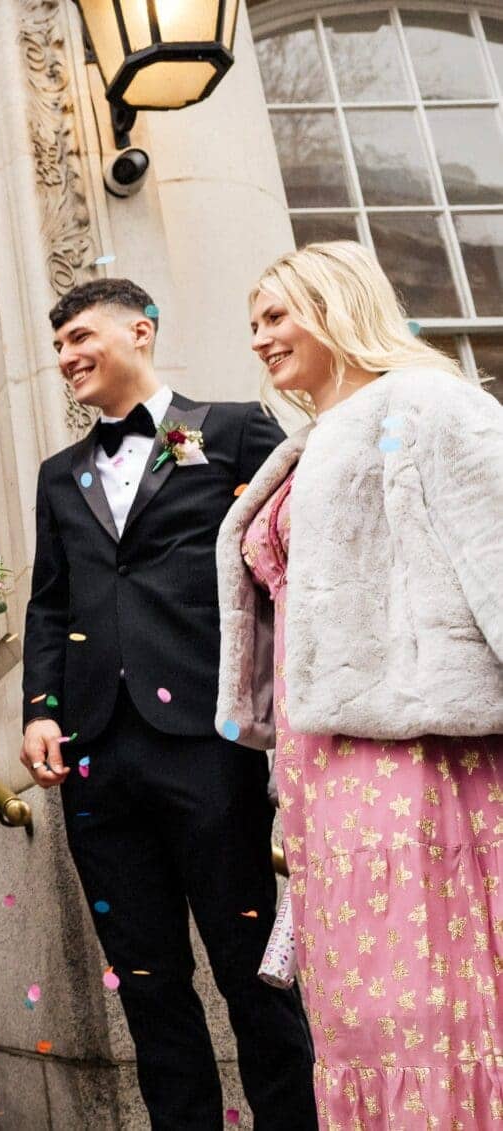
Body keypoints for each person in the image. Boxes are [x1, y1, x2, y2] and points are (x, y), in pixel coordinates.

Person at [18, 279, 318, 1128]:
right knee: (147, 982)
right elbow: (52, 601)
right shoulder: (58, 474)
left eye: (81, 337)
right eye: (59, 348)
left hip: (208, 738)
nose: (68, 357)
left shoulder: (231, 430)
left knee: (248, 965)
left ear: (139, 331)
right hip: (97, 753)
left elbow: (287, 562)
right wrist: (40, 707)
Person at [217, 241, 503, 1125]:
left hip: (415, 748)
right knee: (357, 1010)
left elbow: (496, 552)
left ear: (339, 304)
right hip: (316, 766)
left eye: (278, 314)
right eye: (253, 323)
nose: (261, 338)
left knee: (425, 993)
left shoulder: (427, 402)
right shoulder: (305, 445)